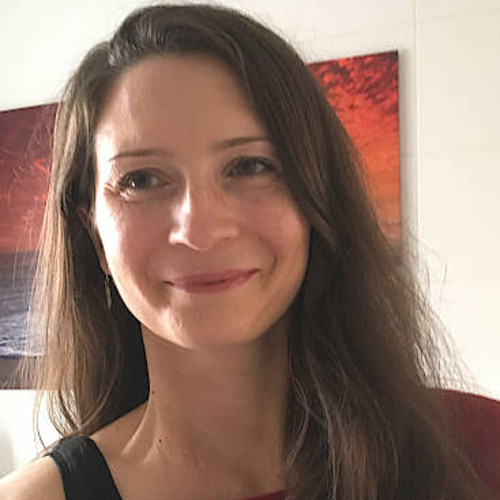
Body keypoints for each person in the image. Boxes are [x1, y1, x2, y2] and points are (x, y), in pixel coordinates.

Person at [0, 4, 497, 500]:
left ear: (317, 198)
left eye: (249, 166)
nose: (199, 229)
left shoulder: (480, 449)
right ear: (94, 237)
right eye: (141, 179)